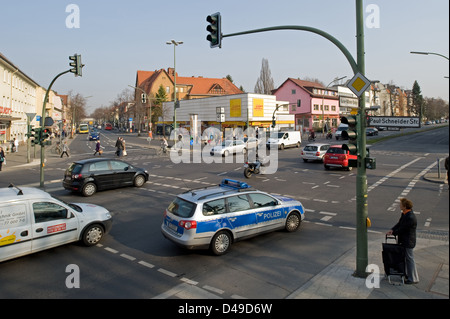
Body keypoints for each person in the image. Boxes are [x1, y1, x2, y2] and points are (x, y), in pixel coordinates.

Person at [386, 198, 419, 284]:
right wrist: (392, 230)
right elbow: (399, 224)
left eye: (400, 204)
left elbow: (402, 229)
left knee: (409, 259)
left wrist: (394, 233)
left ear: (404, 206)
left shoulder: (410, 217)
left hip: (408, 241)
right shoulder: (405, 214)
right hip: (404, 240)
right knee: (406, 258)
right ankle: (408, 275)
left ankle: (413, 278)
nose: (399, 206)